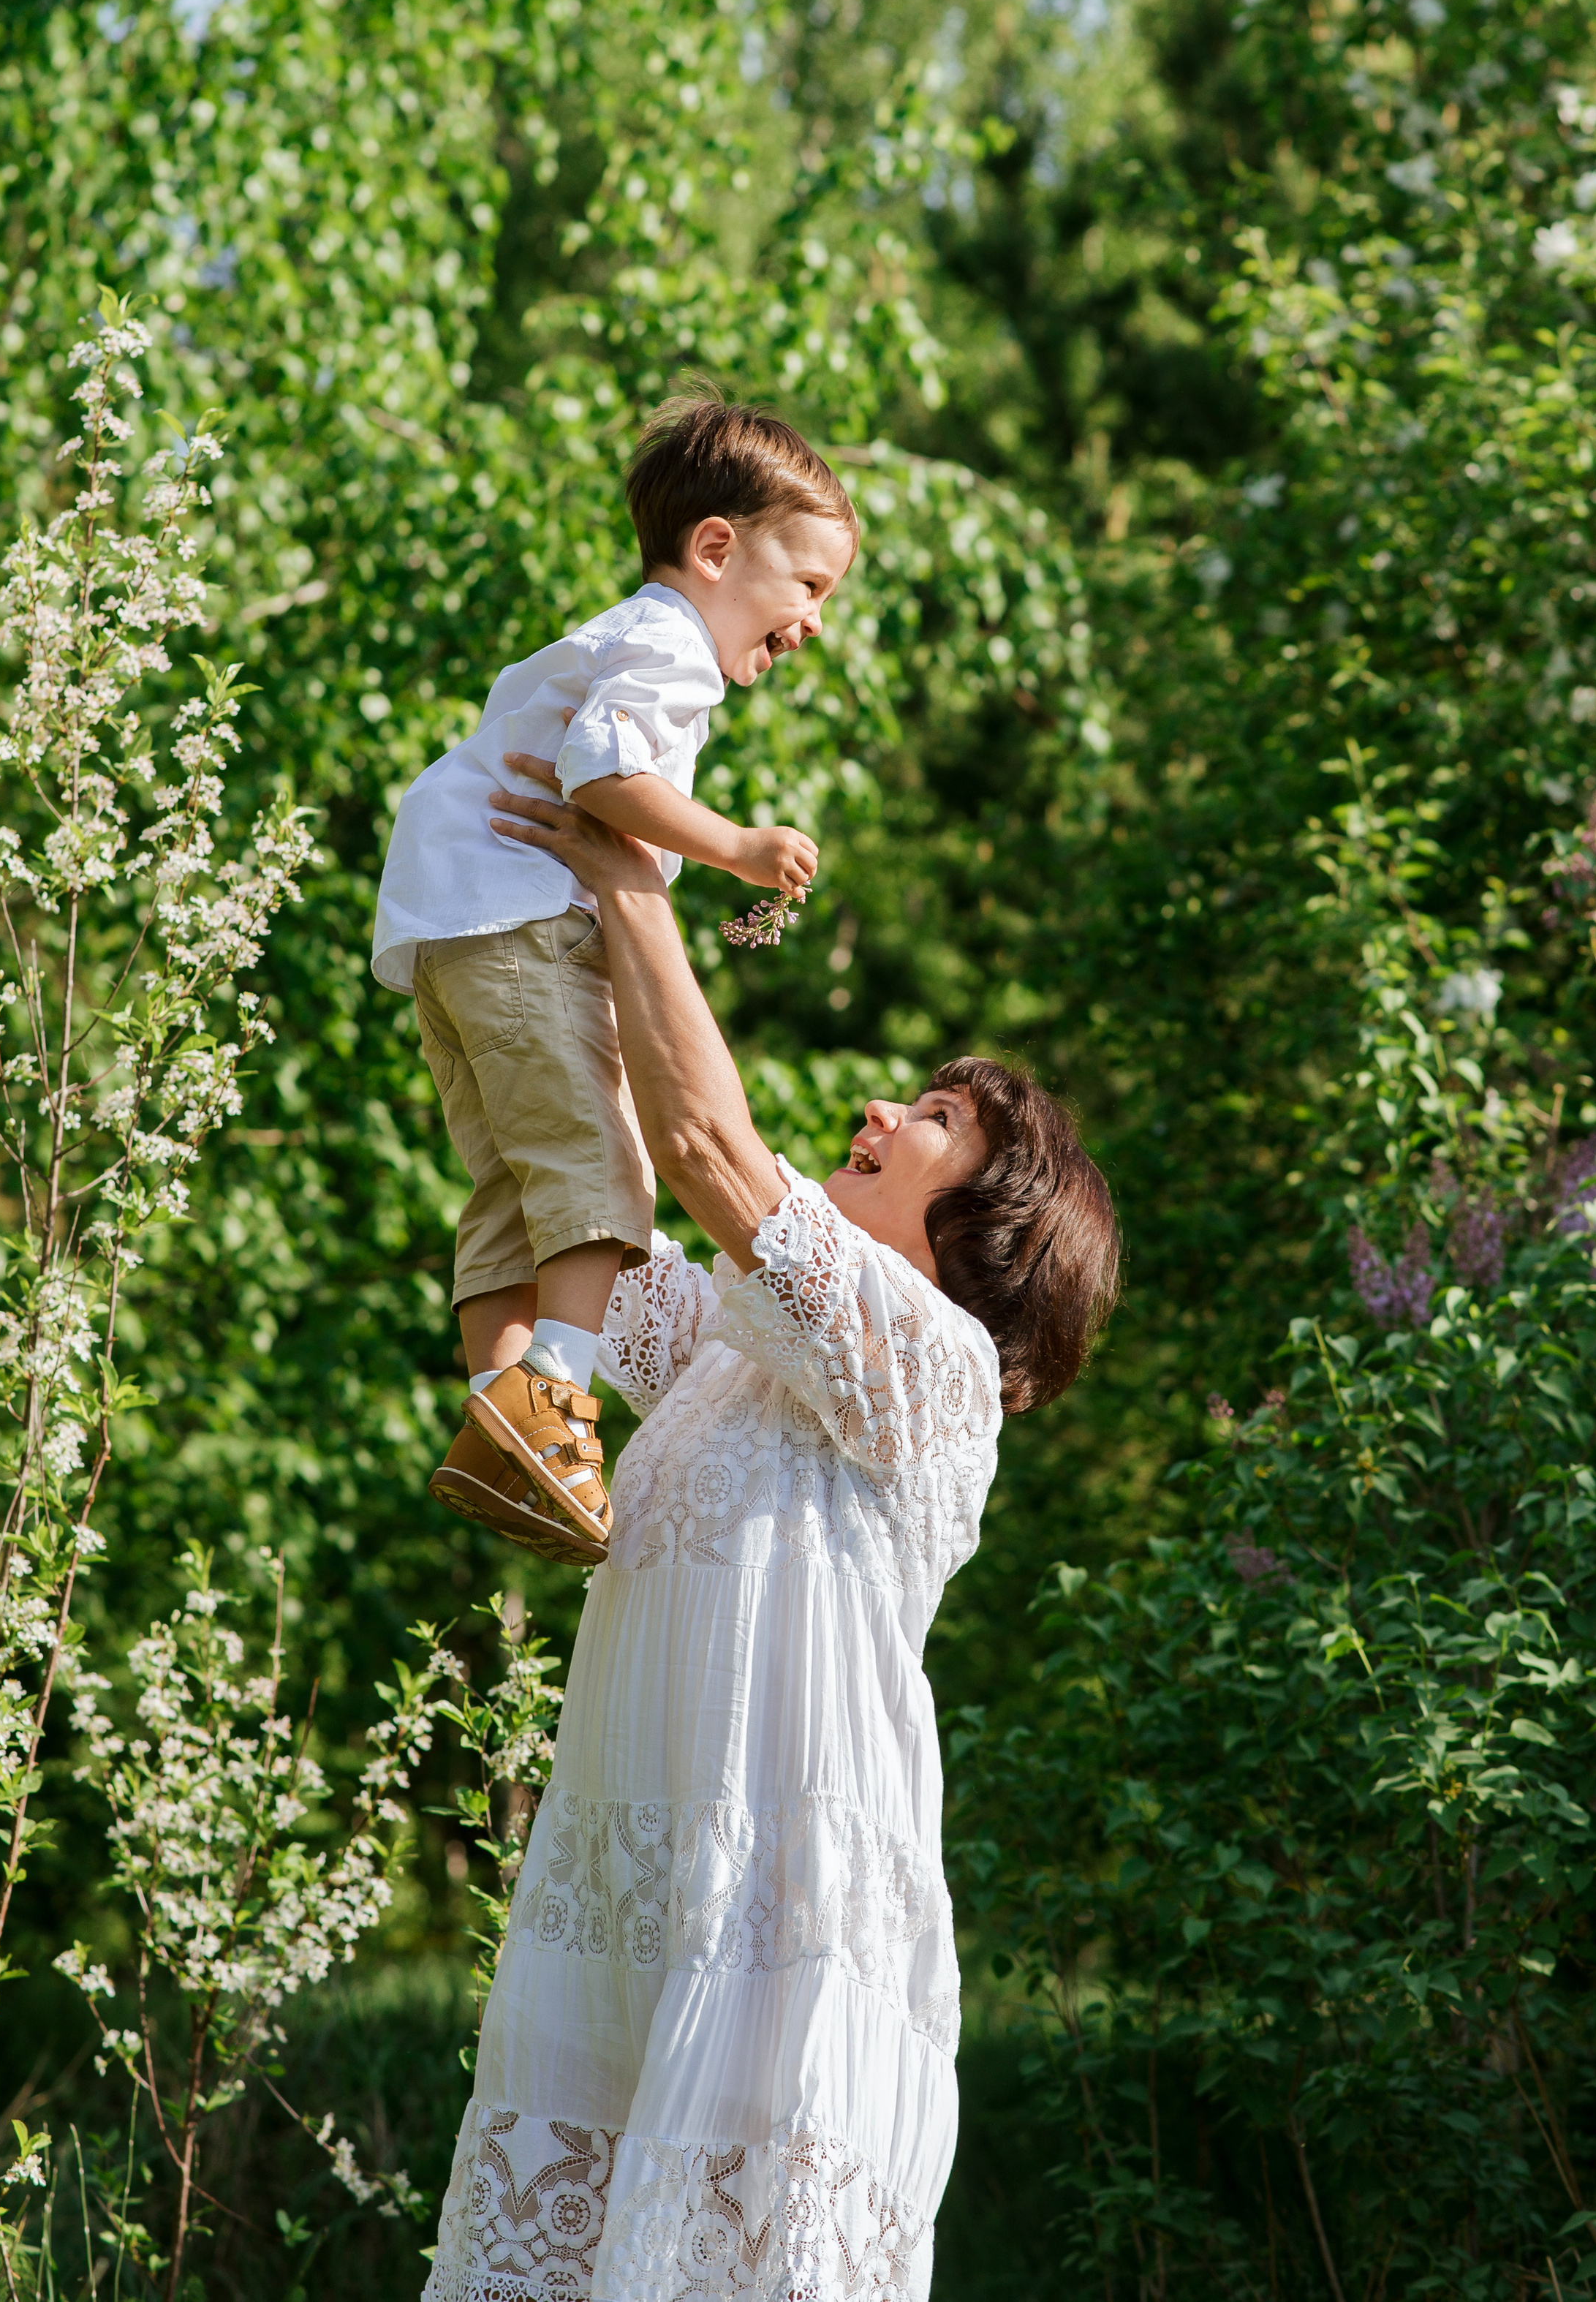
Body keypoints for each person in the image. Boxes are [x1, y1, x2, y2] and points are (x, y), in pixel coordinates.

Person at [421, 760, 1122, 2302]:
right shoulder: (731, 1357)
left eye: (932, 1120)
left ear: (989, 1229)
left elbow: (708, 1152)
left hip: (782, 1966)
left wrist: (626, 876)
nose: (880, 1110)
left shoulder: (934, 1374)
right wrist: (499, 988)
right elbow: (571, 1232)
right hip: (623, 1965)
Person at [371, 391, 858, 1561]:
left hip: (451, 927)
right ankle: (553, 1395)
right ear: (715, 548)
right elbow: (599, 767)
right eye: (808, 586)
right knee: (604, 1161)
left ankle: (509, 1421)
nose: (813, 623)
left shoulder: (634, 636)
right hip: (520, 919)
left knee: (517, 1192)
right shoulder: (669, 643)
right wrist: (736, 844)